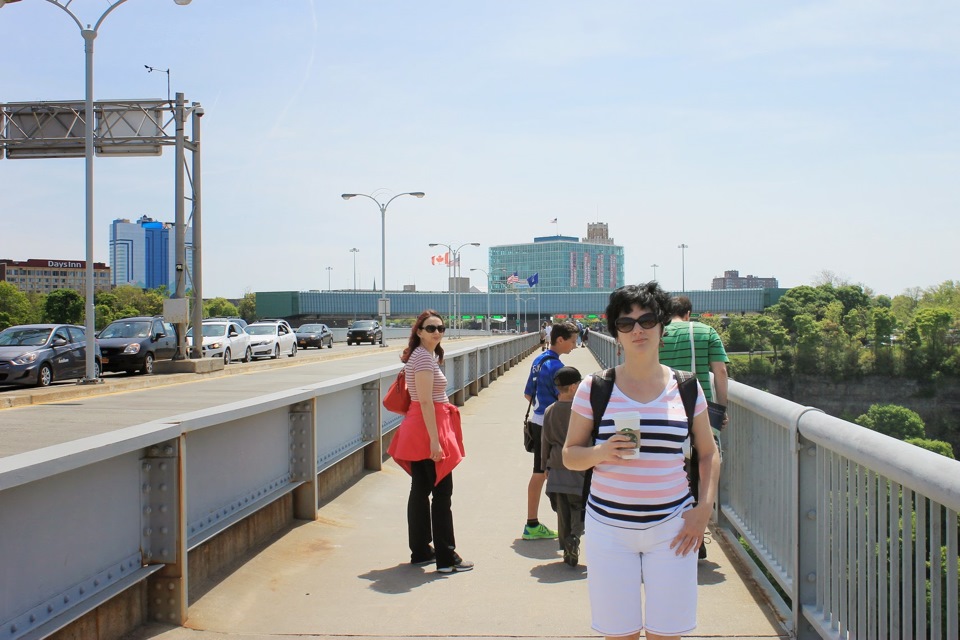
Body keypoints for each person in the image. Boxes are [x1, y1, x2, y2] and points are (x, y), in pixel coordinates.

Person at [563, 283, 720, 640]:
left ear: (662, 326)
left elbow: (709, 453)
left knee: (667, 634)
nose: (638, 330)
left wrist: (703, 510)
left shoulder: (686, 387)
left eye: (647, 320)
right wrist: (602, 452)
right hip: (609, 529)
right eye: (626, 323)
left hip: (673, 529)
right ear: (615, 333)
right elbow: (570, 456)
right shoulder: (595, 387)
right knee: (621, 635)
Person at [386, 310, 473, 574]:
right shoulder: (423, 359)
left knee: (421, 490)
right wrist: (435, 443)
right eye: (431, 327)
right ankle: (446, 559)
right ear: (419, 332)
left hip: (422, 428)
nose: (437, 332)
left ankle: (422, 551)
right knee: (441, 494)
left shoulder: (423, 356)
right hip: (427, 431)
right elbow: (424, 401)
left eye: (441, 328)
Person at [658, 295, 729, 559]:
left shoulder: (659, 331)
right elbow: (720, 371)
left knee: (673, 469)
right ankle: (697, 531)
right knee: (704, 467)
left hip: (665, 409)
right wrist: (721, 408)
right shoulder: (705, 330)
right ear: (688, 313)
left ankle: (671, 527)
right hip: (699, 410)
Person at [521, 321, 578, 540]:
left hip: (537, 421)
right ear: (560, 339)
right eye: (572, 341)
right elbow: (565, 399)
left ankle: (533, 523)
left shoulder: (539, 359)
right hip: (551, 424)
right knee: (547, 472)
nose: (574, 345)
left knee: (539, 471)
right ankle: (534, 524)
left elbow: (528, 394)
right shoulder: (556, 368)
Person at [541, 365, 586, 567]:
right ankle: (575, 538)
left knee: (562, 511)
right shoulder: (583, 411)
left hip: (556, 468)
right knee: (579, 506)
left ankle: (567, 549)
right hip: (579, 468)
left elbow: (546, 442)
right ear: (574, 387)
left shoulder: (550, 411)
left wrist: (545, 467)